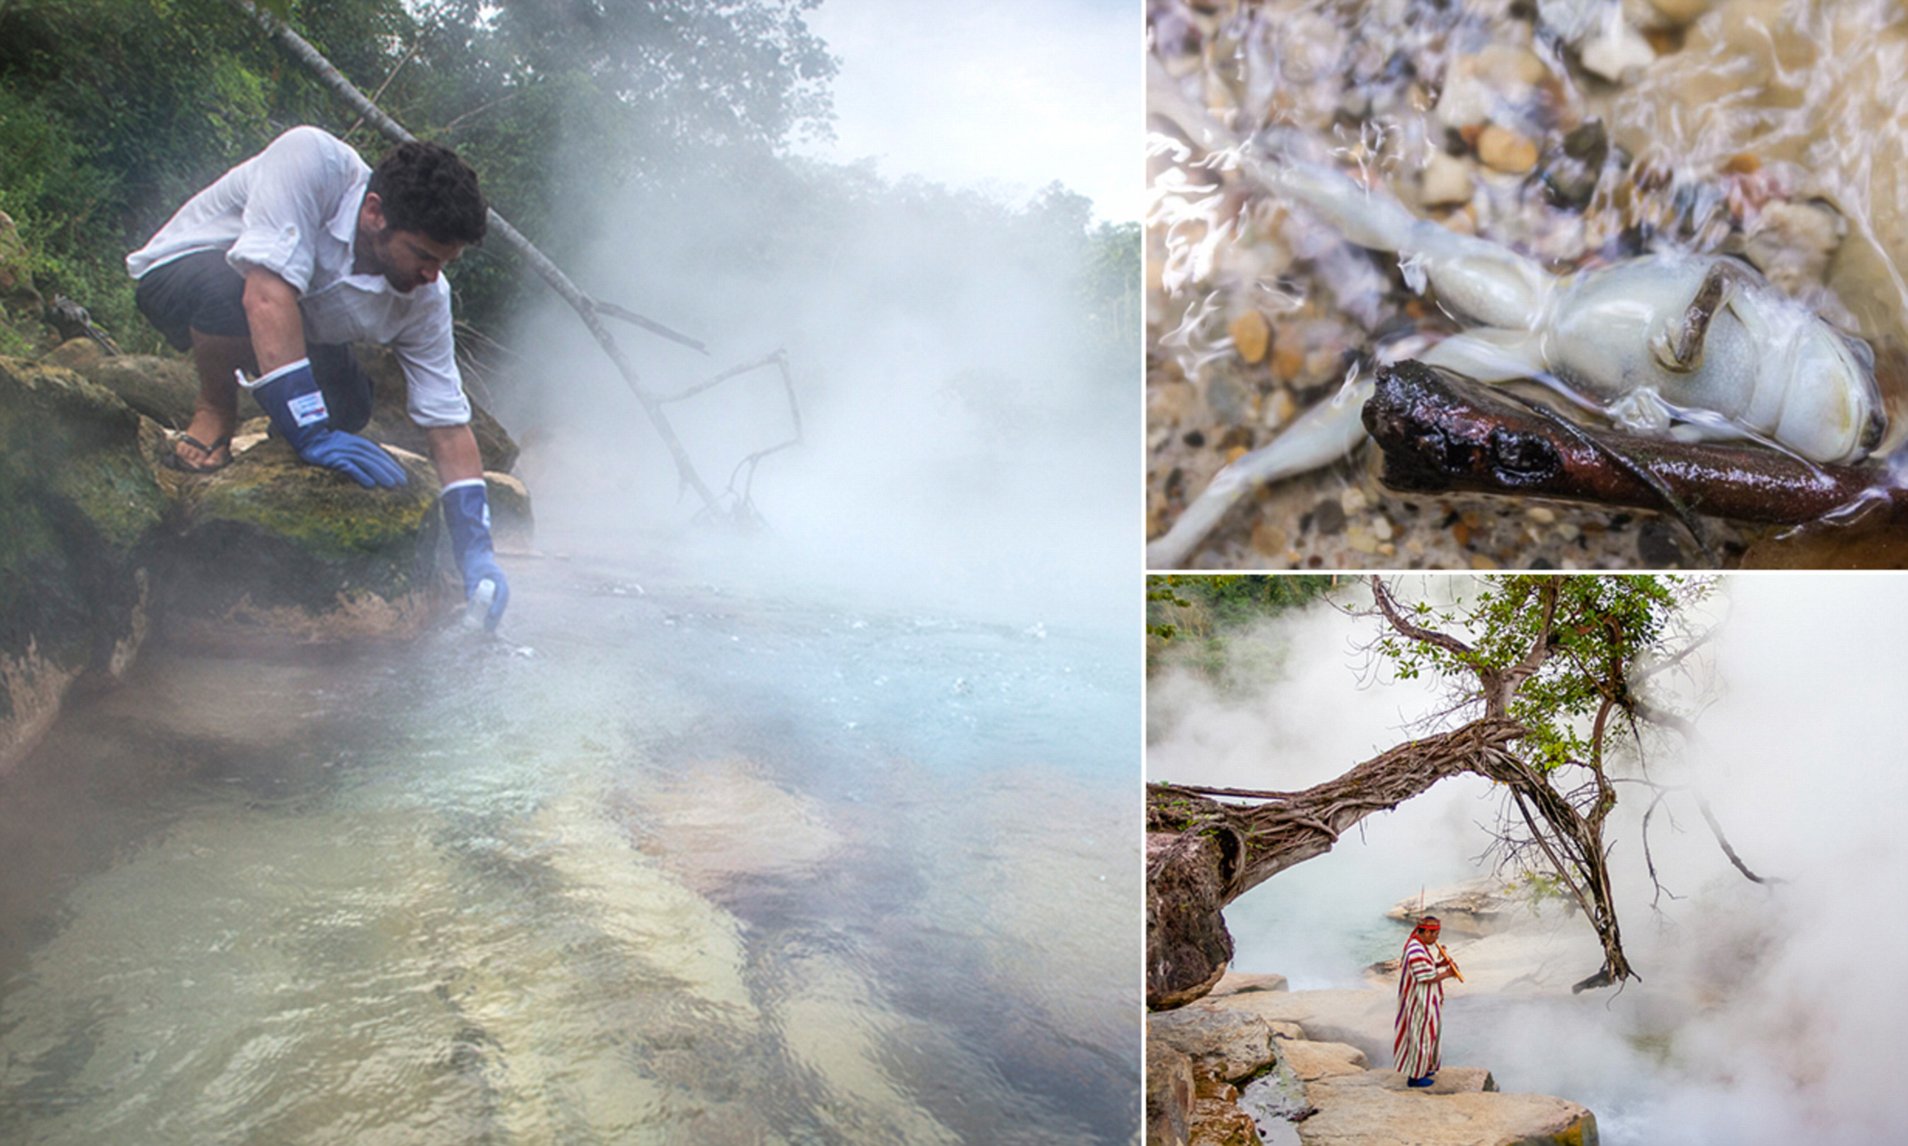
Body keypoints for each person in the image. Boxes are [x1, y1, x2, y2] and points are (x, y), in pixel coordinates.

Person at [127, 125, 507, 628]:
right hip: (184, 273)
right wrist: (308, 427)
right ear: (375, 214)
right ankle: (216, 407)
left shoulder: (426, 298)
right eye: (424, 255)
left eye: (445, 262)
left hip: (290, 316)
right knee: (233, 294)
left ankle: (279, 428)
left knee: (349, 409)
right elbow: (263, 294)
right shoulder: (312, 161)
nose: (433, 275)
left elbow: (448, 422)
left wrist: (477, 552)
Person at [1394, 914, 1459, 1088]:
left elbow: (1428, 967)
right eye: (1435, 935)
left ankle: (1426, 1067)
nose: (1436, 939)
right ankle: (1415, 1076)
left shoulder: (1419, 945)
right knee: (1421, 1037)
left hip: (1427, 1000)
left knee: (1430, 1035)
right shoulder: (1415, 950)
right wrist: (1448, 973)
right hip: (1419, 1002)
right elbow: (1425, 977)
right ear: (1427, 933)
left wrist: (1440, 964)